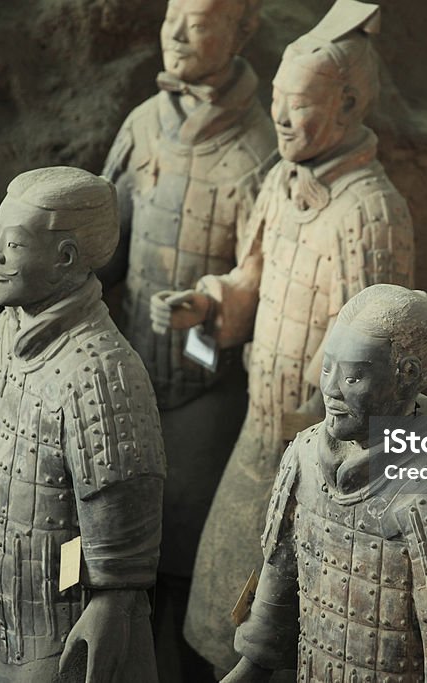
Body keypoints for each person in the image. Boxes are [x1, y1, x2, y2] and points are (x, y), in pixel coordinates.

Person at [149, 1, 416, 670]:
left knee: (285, 640)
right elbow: (250, 281)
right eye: (275, 100)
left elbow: (378, 360)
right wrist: (208, 305)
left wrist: (338, 451)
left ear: (349, 107)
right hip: (258, 435)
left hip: (328, 466)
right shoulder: (278, 183)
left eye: (298, 105)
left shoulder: (372, 213)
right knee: (213, 620)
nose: (279, 117)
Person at [0, 167, 165, 682]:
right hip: (6, 610)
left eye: (14, 244)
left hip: (68, 617)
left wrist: (111, 602)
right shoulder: (3, 332)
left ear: (65, 258)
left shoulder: (102, 367)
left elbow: (123, 496)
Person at [99, 1, 276, 675]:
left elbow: (266, 285)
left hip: (210, 391)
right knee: (117, 568)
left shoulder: (260, 149)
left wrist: (214, 307)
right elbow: (103, 254)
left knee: (195, 577)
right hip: (130, 383)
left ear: (240, 32)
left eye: (198, 21)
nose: (174, 33)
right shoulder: (144, 126)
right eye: (172, 14)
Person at [224, 284, 427, 683]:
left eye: (353, 376)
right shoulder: (303, 458)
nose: (331, 389)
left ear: (406, 377)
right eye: (328, 368)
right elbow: (271, 624)